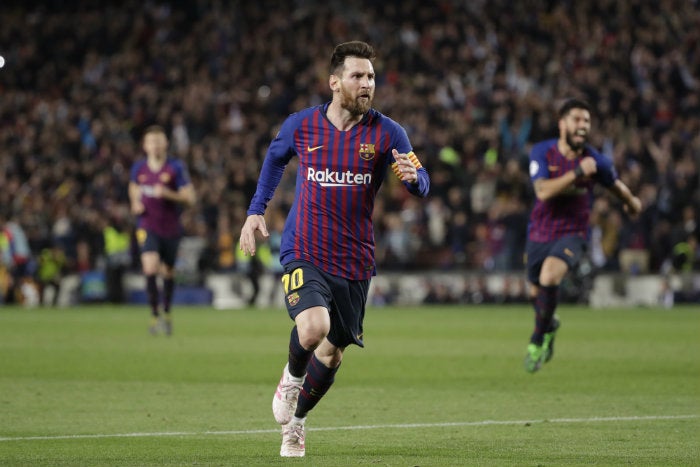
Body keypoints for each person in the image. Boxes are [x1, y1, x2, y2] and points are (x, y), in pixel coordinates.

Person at [239, 41, 430, 457]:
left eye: (371, 77)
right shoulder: (301, 125)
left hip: (355, 260)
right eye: (358, 76)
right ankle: (290, 378)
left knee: (332, 352)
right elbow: (274, 160)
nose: (367, 84)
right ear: (334, 82)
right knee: (313, 329)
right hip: (304, 249)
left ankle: (298, 423)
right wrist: (256, 211)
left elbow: (421, 181)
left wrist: (413, 179)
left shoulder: (388, 132)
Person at [523, 98, 642, 373]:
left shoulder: (596, 160)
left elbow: (615, 185)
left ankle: (536, 340)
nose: (583, 126)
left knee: (549, 277)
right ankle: (549, 325)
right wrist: (578, 172)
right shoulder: (543, 152)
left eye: (586, 121)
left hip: (573, 233)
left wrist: (632, 202)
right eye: (577, 119)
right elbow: (542, 191)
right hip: (539, 232)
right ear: (562, 123)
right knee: (535, 295)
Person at [129, 125, 196, 336]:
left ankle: (166, 311)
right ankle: (154, 313)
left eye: (159, 141)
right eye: (151, 142)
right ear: (145, 145)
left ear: (165, 144)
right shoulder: (139, 168)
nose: (155, 146)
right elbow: (133, 188)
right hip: (147, 226)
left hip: (171, 228)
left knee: (167, 272)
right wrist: (135, 203)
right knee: (150, 267)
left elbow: (190, 198)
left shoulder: (175, 168)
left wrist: (168, 194)